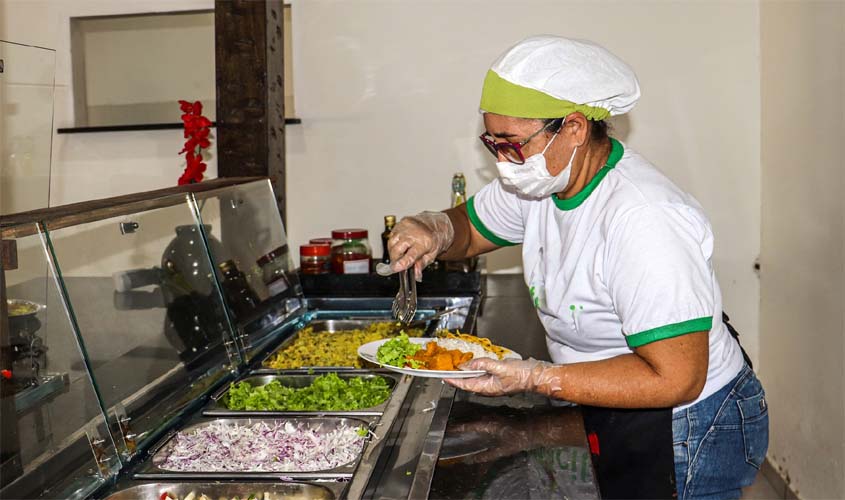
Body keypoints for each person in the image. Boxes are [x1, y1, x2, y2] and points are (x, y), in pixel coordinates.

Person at [383, 35, 768, 499]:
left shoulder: (643, 219)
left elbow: (677, 378)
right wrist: (434, 230)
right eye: (493, 144)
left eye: (513, 144)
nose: (505, 162)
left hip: (688, 422)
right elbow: (470, 228)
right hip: (609, 398)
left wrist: (535, 377)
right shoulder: (541, 181)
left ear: (574, 129)